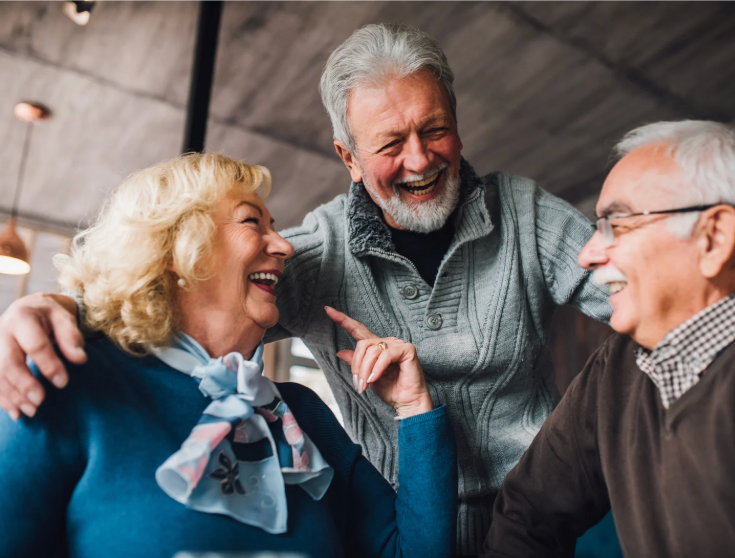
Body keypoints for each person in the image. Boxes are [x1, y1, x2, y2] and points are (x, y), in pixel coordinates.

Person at [1, 24, 735, 556]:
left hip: (551, 516)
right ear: (346, 157)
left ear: (458, 122)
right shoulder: (313, 252)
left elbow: (657, 287)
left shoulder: (527, 215)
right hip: (407, 525)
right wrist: (62, 310)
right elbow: (191, 295)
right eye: (390, 142)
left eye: (435, 128)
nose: (420, 158)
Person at [0, 153, 457, 558]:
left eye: (274, 226)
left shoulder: (301, 413)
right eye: (252, 222)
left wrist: (414, 408)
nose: (284, 246)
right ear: (180, 250)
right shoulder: (66, 380)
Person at [483, 121, 735, 557]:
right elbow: (527, 512)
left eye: (616, 223)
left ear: (714, 238)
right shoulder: (617, 367)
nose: (587, 255)